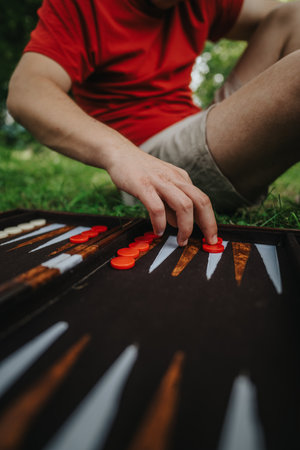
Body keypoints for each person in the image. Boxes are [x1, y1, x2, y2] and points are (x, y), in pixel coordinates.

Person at [7, 0, 300, 246]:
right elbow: (27, 92)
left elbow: (278, 16)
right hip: (151, 154)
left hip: (203, 123)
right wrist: (121, 154)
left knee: (294, 14)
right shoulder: (82, 5)